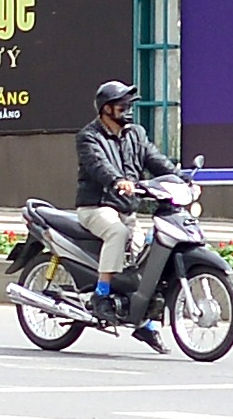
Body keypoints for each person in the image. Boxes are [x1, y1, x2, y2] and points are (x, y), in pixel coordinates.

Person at [75, 79, 179, 350]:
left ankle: (144, 322)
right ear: (106, 109)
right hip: (97, 207)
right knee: (117, 232)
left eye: (128, 105)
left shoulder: (136, 134)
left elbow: (155, 159)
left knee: (142, 258)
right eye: (122, 106)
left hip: (127, 210)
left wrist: (179, 179)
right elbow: (98, 165)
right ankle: (101, 294)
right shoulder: (89, 136)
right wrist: (118, 181)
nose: (127, 110)